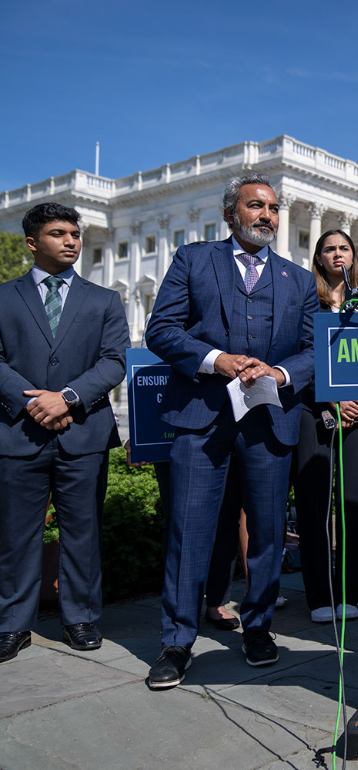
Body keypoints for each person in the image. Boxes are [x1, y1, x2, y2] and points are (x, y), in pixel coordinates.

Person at [144, 173, 318, 689]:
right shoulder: (193, 260)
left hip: (268, 419)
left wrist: (281, 373)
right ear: (230, 214)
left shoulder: (298, 279)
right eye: (255, 206)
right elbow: (162, 330)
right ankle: (176, 641)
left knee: (266, 533)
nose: (267, 214)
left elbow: (312, 351)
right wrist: (216, 360)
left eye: (273, 207)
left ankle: (259, 626)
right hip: (201, 417)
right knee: (188, 532)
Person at [0, 202, 129, 664]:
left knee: (82, 531)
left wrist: (67, 397)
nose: (72, 240)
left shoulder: (104, 300)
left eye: (74, 233)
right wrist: (35, 401)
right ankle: (13, 623)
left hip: (83, 434)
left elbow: (115, 360)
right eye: (59, 233)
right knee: (16, 534)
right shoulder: (3, 296)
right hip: (19, 433)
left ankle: (81, 617)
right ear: (33, 242)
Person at [293, 230, 358, 623]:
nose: (337, 254)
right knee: (314, 504)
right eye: (329, 249)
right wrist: (331, 398)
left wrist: (354, 402)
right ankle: (318, 594)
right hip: (315, 410)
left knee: (355, 502)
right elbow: (297, 354)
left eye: (344, 247)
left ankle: (350, 592)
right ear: (319, 258)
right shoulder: (305, 301)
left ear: (353, 255)